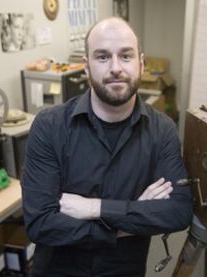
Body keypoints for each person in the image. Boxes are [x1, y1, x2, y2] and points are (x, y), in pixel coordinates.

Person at [22, 17, 193, 276]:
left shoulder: (162, 131)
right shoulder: (50, 126)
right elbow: (40, 224)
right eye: (102, 57)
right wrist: (131, 220)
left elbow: (178, 212)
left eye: (126, 56)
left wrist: (93, 208)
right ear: (87, 67)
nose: (116, 68)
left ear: (141, 63)